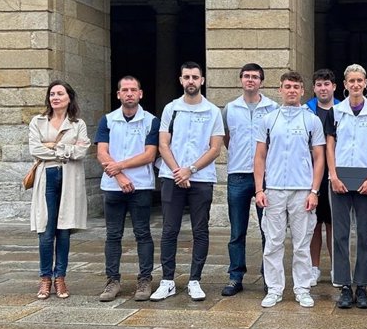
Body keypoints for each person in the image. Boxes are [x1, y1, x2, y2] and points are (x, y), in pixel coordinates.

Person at [151, 61, 224, 302]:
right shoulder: (171, 109)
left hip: (201, 178)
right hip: (172, 177)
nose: (191, 81)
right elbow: (163, 143)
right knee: (170, 230)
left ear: (202, 80)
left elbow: (215, 148)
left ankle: (195, 280)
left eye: (195, 77)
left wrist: (190, 170)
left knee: (200, 230)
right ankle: (167, 281)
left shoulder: (212, 111)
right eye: (186, 77)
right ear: (180, 80)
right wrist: (177, 171)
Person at [254, 71, 326, 308]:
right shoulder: (268, 119)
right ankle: (274, 289)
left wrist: (314, 191)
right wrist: (259, 190)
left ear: (303, 91)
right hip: (274, 189)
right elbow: (260, 156)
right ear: (280, 90)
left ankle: (302, 288)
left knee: (302, 243)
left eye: (296, 86)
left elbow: (319, 157)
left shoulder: (311, 119)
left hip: (302, 190)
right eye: (287, 86)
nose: (292, 90)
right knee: (273, 243)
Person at [326, 63, 367, 309]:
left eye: (359, 80)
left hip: (365, 180)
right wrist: (333, 175)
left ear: (366, 82)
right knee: (340, 234)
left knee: (364, 234)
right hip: (339, 179)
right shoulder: (335, 112)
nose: (356, 85)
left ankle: (361, 285)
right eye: (351, 81)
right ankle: (343, 285)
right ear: (345, 84)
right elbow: (329, 145)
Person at [96, 76, 159, 302]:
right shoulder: (108, 120)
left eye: (133, 90)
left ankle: (144, 280)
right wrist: (120, 176)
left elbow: (149, 155)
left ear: (141, 94)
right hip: (113, 187)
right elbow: (102, 152)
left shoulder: (151, 121)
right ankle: (112, 280)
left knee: (142, 233)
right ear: (118, 94)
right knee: (113, 235)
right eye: (125, 90)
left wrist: (119, 166)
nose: (129, 93)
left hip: (140, 185)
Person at [29, 80, 90, 299]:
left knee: (64, 230)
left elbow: (83, 151)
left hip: (69, 178)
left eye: (60, 93)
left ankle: (60, 278)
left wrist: (54, 147)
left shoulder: (77, 124)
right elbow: (35, 149)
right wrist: (66, 150)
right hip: (47, 176)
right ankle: (45, 278)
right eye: (52, 94)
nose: (55, 97)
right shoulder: (38, 121)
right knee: (46, 231)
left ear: (69, 97)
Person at [221, 63, 278, 296]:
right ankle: (236, 276)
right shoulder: (230, 108)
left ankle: (269, 276)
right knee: (237, 230)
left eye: (255, 77)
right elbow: (226, 138)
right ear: (241, 80)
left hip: (266, 178)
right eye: (246, 76)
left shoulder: (273, 108)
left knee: (268, 230)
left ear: (262, 82)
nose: (250, 80)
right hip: (238, 174)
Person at [305, 68, 340, 286]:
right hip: (310, 174)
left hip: (336, 174)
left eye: (327, 84)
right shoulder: (306, 110)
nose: (323, 88)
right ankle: (314, 268)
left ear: (334, 87)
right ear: (314, 88)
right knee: (314, 224)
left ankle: (337, 268)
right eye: (319, 84)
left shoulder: (342, 110)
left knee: (334, 224)